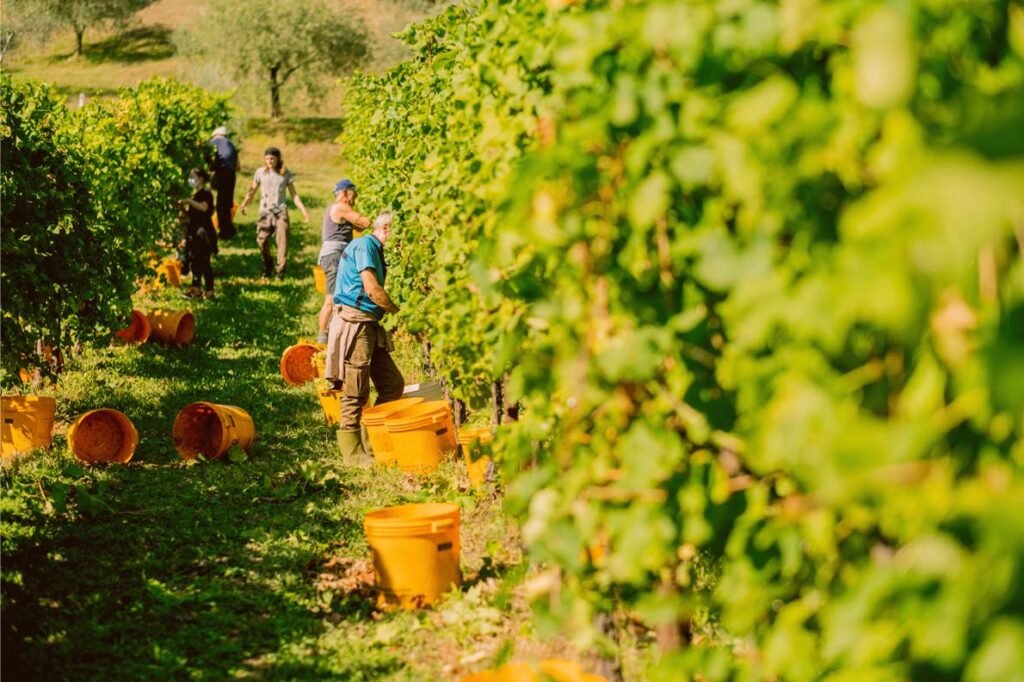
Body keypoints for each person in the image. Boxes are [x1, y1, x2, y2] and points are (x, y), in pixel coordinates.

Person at [325, 211, 404, 463]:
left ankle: (373, 442)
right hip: (356, 323)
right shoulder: (366, 245)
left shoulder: (375, 251)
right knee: (355, 389)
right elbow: (372, 290)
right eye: (399, 235)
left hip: (369, 324)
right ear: (387, 228)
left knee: (392, 384)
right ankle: (352, 453)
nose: (400, 242)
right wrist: (400, 313)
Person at [238, 147, 310, 282]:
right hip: (265, 213)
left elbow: (294, 194)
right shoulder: (260, 173)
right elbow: (252, 190)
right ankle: (268, 265)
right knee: (261, 240)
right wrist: (244, 204)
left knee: (282, 243)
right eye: (267, 158)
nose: (270, 161)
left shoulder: (285, 174)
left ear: (278, 159)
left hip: (280, 212)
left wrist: (303, 211)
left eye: (272, 158)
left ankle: (280, 272)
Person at [316, 179, 374, 344]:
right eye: (354, 194)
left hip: (334, 255)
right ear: (345, 193)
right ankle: (322, 337)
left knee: (338, 296)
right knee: (331, 298)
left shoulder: (336, 210)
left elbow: (357, 226)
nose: (355, 199)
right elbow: (364, 222)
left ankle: (331, 334)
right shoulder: (341, 207)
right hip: (334, 256)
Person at [177, 168, 216, 299]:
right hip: (193, 233)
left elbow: (203, 208)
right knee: (194, 262)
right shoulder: (195, 195)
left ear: (201, 179)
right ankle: (196, 289)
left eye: (193, 177)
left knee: (204, 261)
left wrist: (189, 201)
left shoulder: (206, 193)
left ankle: (209, 290)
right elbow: (192, 216)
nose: (191, 180)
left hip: (203, 233)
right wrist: (183, 209)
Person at [209, 126, 239, 240]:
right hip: (231, 174)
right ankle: (229, 228)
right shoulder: (231, 144)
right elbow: (238, 166)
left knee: (221, 204)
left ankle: (225, 232)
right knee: (227, 202)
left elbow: (207, 157)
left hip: (222, 172)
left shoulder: (214, 141)